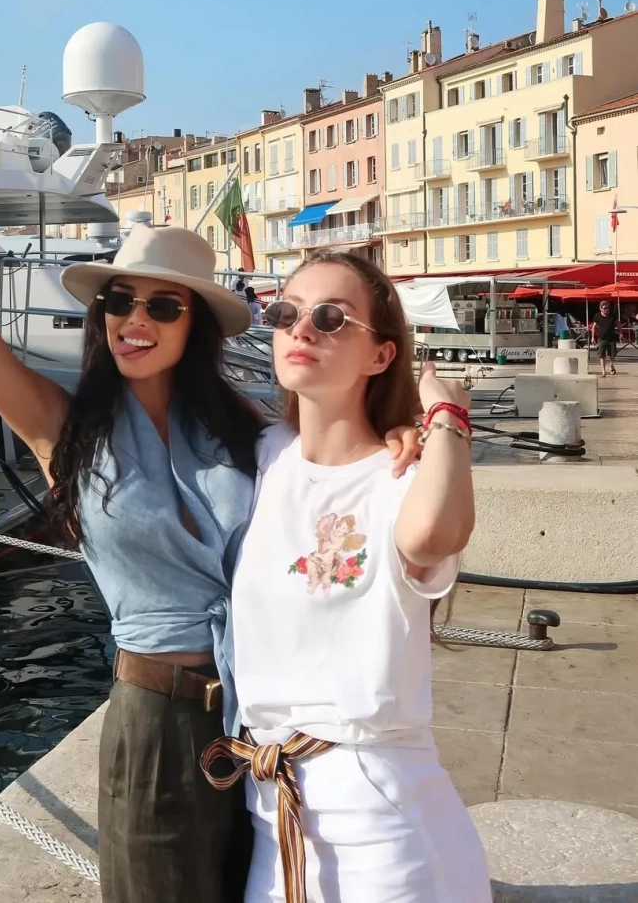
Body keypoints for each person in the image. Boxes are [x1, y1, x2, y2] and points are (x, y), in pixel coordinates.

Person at [0, 0, 424, 902]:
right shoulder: (62, 426)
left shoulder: (249, 432)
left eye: (162, 305)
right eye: (118, 301)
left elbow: (342, 453)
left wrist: (409, 427)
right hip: (154, 722)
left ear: (194, 325)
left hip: (268, 715)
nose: (134, 318)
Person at [203, 250, 491, 903]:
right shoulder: (265, 458)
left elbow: (433, 536)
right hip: (273, 817)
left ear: (381, 355)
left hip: (382, 831)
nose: (301, 329)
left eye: (331, 318)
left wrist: (445, 417)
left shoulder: (399, 480)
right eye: (286, 313)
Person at [592, 299, 618, 376]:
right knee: (602, 355)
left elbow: (618, 323)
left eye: (607, 308)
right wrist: (593, 337)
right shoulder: (597, 316)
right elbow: (594, 327)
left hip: (611, 338)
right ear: (600, 309)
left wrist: (621, 333)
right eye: (604, 308)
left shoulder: (613, 315)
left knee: (613, 354)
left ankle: (611, 365)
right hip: (601, 338)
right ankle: (603, 371)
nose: (606, 309)